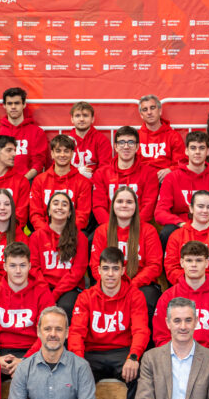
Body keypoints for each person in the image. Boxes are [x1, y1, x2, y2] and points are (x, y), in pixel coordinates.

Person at [69, 247, 150, 399]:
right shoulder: (86, 297)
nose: (110, 274)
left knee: (141, 374)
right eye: (106, 268)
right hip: (93, 351)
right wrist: (78, 360)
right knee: (73, 371)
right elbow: (76, 332)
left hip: (123, 351)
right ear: (98, 271)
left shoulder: (135, 295)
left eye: (115, 268)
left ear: (123, 270)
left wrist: (134, 356)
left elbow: (141, 329)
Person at [0, 242, 56, 378]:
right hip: (2, 352)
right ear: (5, 267)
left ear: (30, 266)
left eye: (22, 265)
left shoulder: (43, 293)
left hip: (34, 352)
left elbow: (47, 333)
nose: (18, 271)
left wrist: (26, 360)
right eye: (13, 265)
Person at [153, 241, 209, 359]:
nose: (193, 265)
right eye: (189, 260)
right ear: (182, 262)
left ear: (207, 263)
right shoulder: (168, 297)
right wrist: (180, 357)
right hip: (177, 358)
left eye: (198, 260)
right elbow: (161, 337)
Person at [89, 185, 163, 315]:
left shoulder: (148, 231)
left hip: (141, 285)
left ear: (136, 206)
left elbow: (154, 266)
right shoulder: (102, 231)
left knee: (148, 299)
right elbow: (95, 265)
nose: (124, 205)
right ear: (113, 205)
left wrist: (132, 285)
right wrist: (113, 283)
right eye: (120, 201)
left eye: (129, 202)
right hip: (109, 283)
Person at [156, 131, 209, 245]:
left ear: (208, 151)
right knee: (167, 232)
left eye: (202, 148)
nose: (197, 152)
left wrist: (208, 223)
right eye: (193, 148)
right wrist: (180, 223)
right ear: (186, 151)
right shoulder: (172, 178)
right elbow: (160, 212)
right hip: (182, 225)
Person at [162, 190, 209, 292]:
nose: (205, 211)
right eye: (200, 206)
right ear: (191, 208)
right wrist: (191, 282)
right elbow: (171, 268)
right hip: (185, 286)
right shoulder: (177, 236)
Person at [29, 190, 88, 318]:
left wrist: (55, 294)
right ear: (49, 211)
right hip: (42, 287)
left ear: (70, 213)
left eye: (64, 204)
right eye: (55, 203)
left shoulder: (80, 238)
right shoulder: (36, 237)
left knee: (65, 307)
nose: (60, 207)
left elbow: (77, 272)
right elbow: (33, 268)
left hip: (70, 289)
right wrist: (45, 291)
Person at [92, 126, 159, 227]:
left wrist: (133, 227)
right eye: (121, 142)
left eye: (131, 142)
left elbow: (148, 206)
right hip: (109, 226)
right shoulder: (101, 173)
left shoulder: (149, 173)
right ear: (115, 146)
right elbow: (99, 206)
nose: (126, 147)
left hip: (138, 226)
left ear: (137, 147)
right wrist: (111, 227)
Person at [0, 86, 48, 180]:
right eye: (9, 103)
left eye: (17, 103)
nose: (13, 107)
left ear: (24, 104)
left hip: (26, 181)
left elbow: (38, 163)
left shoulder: (37, 132)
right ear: (4, 106)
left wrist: (22, 181)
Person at [29, 134, 93, 231]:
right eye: (58, 151)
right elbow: (35, 214)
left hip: (72, 233)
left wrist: (66, 233)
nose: (62, 155)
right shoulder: (39, 180)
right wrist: (48, 232)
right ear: (52, 154)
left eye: (66, 151)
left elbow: (82, 216)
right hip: (44, 232)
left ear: (72, 154)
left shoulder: (83, 182)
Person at [137, 94, 185, 180]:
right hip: (143, 180)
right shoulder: (136, 137)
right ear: (141, 115)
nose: (149, 112)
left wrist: (170, 170)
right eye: (145, 109)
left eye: (152, 108)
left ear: (160, 111)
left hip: (167, 179)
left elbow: (181, 163)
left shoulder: (174, 136)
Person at [65, 101, 112, 178]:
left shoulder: (102, 140)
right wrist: (76, 173)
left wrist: (90, 181)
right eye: (77, 116)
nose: (81, 119)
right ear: (72, 119)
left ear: (92, 119)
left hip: (94, 183)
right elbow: (59, 169)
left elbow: (104, 169)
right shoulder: (65, 142)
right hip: (70, 182)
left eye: (85, 115)